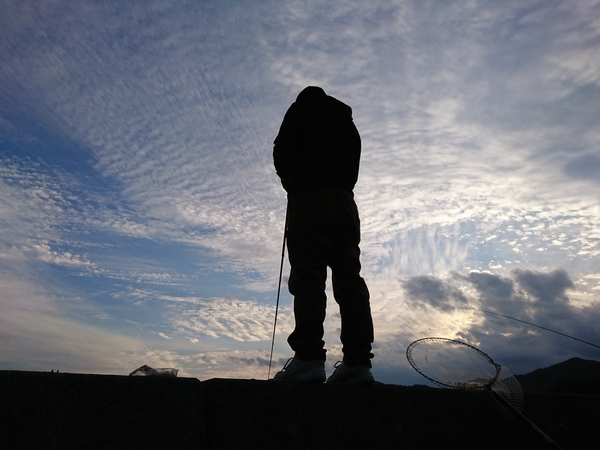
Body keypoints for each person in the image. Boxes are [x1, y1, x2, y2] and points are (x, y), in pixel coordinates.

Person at [272, 86, 374, 384]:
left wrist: (290, 180)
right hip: (345, 203)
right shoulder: (347, 122)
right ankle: (358, 363)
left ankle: (308, 358)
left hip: (309, 198)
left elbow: (281, 153)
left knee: (308, 276)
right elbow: (353, 168)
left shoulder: (300, 109)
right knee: (349, 279)